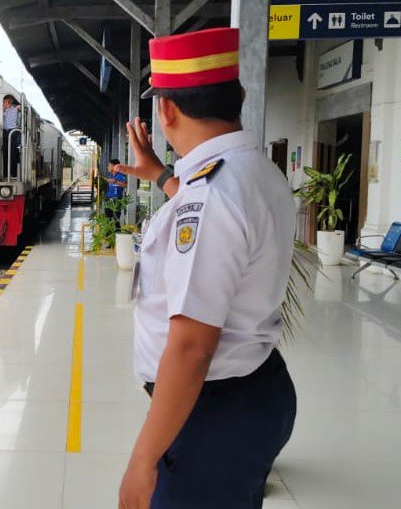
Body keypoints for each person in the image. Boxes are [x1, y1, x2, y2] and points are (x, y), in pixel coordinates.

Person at [115, 27, 297, 509]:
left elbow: (192, 347)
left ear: (167, 111)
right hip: (250, 393)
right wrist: (159, 173)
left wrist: (142, 461)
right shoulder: (253, 171)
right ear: (239, 97)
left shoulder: (212, 195)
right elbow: (215, 219)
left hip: (213, 411)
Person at [2, 95, 22, 178]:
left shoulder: (16, 108)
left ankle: (14, 172)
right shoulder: (2, 110)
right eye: (4, 101)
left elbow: (21, 108)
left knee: (13, 153)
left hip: (13, 131)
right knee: (4, 152)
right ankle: (5, 172)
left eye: (7, 101)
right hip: (4, 132)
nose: (5, 103)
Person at [106, 158, 128, 223]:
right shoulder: (110, 175)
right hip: (109, 199)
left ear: (114, 166)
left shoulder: (121, 176)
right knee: (108, 218)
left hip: (117, 200)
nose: (108, 167)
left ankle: (117, 228)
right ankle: (109, 229)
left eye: (109, 166)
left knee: (116, 219)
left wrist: (115, 181)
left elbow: (126, 185)